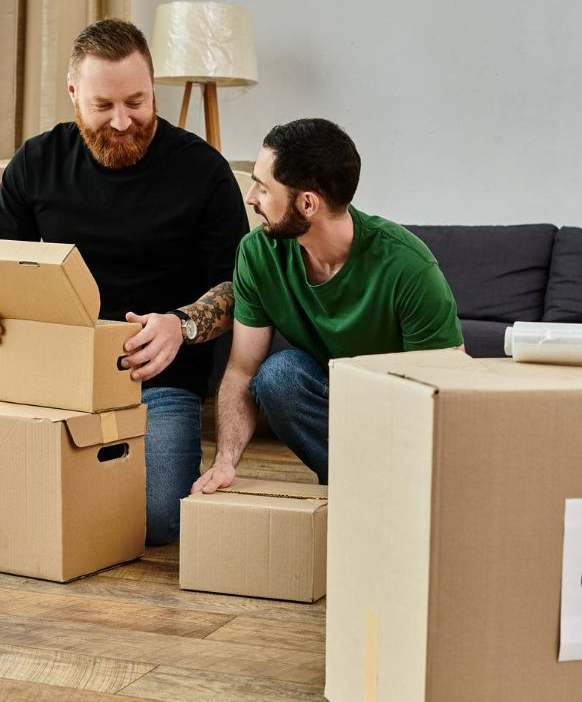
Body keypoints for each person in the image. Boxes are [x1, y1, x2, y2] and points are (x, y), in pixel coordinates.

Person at [0, 18, 248, 545]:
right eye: (103, 105)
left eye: (136, 102)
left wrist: (180, 326)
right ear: (73, 93)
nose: (121, 122)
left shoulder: (204, 172)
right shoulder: (36, 163)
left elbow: (239, 291)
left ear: (154, 87)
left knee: (157, 520)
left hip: (159, 384)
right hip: (56, 377)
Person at [192, 118, 463, 492]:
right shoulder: (258, 253)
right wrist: (224, 463)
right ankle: (358, 488)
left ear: (307, 203)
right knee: (279, 376)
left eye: (263, 187)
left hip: (399, 416)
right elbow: (242, 369)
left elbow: (446, 393)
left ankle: (393, 490)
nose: (251, 197)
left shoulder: (408, 266)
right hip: (332, 404)